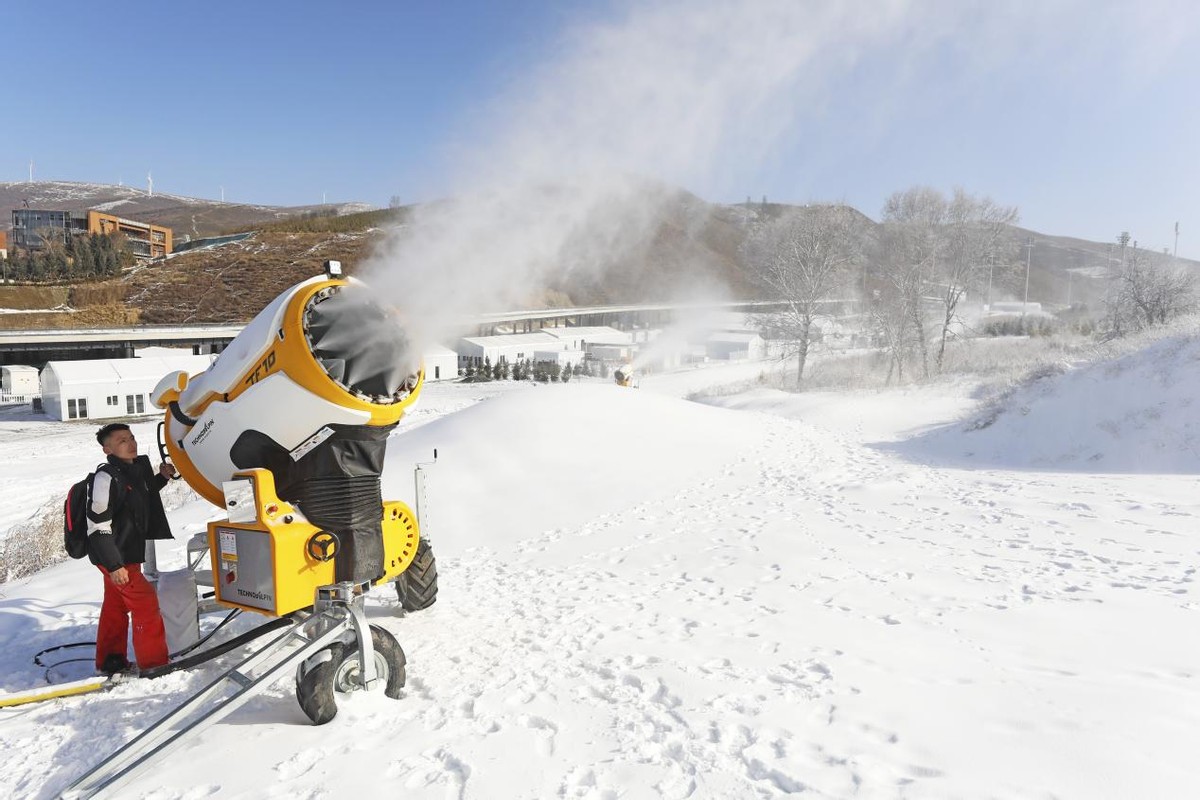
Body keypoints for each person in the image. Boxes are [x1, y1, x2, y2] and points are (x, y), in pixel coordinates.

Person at [87, 422, 177, 674]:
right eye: (122, 441)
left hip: (126, 556)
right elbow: (98, 526)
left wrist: (162, 477)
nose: (131, 443)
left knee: (115, 607)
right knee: (146, 605)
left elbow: (142, 493)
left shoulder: (132, 470)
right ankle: (154, 664)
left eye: (132, 437)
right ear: (107, 449)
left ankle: (110, 659)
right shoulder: (105, 477)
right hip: (115, 557)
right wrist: (115, 565)